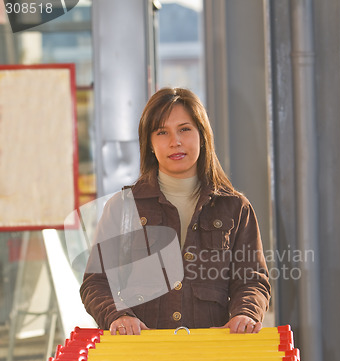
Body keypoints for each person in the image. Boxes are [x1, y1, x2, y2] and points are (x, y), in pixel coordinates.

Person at [80, 87, 270, 335]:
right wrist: (118, 316)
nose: (175, 141)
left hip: (213, 355)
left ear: (202, 135)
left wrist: (245, 313)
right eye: (162, 132)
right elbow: (95, 282)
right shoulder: (123, 207)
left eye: (184, 129)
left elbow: (252, 279)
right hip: (144, 355)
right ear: (149, 143)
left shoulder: (235, 208)